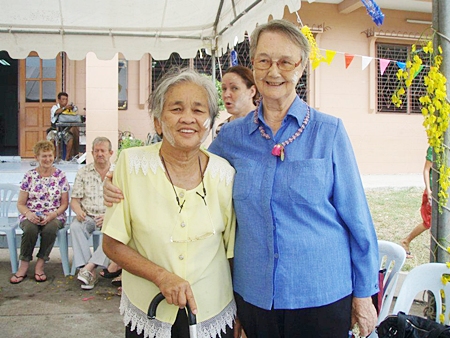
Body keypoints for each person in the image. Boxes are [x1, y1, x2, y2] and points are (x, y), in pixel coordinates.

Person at [103, 20, 379, 338]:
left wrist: (364, 294)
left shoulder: (328, 132)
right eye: (264, 60)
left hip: (321, 293)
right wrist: (114, 180)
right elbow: (188, 160)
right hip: (255, 298)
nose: (274, 71)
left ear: (301, 67)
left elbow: (358, 220)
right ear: (254, 66)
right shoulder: (231, 138)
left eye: (285, 61)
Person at [102, 69, 236, 338]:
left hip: (212, 310)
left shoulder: (224, 173)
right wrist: (161, 277)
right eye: (176, 109)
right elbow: (112, 244)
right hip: (150, 309)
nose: (188, 118)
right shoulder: (131, 165)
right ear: (158, 122)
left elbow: (230, 252)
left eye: (199, 110)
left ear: (209, 121)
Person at [11, 140, 69, 284]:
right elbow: (20, 204)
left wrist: (53, 215)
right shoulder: (29, 176)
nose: (47, 159)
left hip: (54, 214)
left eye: (50, 155)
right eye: (44, 156)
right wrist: (29, 214)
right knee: (30, 229)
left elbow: (64, 204)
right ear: (37, 157)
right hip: (31, 214)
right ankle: (23, 265)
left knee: (50, 228)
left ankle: (41, 263)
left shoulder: (60, 176)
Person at [71, 136, 117, 290]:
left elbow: (125, 201)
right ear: (91, 153)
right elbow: (75, 200)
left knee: (114, 231)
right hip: (88, 216)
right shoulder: (84, 172)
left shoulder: (118, 172)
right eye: (96, 151)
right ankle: (89, 272)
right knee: (76, 227)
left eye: (103, 151)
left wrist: (109, 216)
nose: (99, 154)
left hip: (109, 216)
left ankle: (87, 269)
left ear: (110, 152)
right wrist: (78, 211)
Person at [401, 146, 433, 258]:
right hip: (434, 191)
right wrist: (428, 190)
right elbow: (426, 169)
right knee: (428, 222)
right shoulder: (435, 147)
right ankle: (406, 240)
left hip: (445, 192)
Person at [215, 65, 258, 136]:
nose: (226, 95)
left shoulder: (267, 124)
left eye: (234, 88)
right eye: (224, 89)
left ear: (252, 91)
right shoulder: (222, 129)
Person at [48, 92, 80, 161]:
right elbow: (56, 112)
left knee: (70, 138)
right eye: (63, 99)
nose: (65, 101)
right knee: (51, 138)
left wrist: (72, 108)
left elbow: (75, 111)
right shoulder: (55, 107)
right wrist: (65, 108)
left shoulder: (69, 108)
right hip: (55, 129)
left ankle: (67, 158)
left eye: (66, 99)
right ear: (59, 100)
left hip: (65, 130)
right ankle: (52, 158)